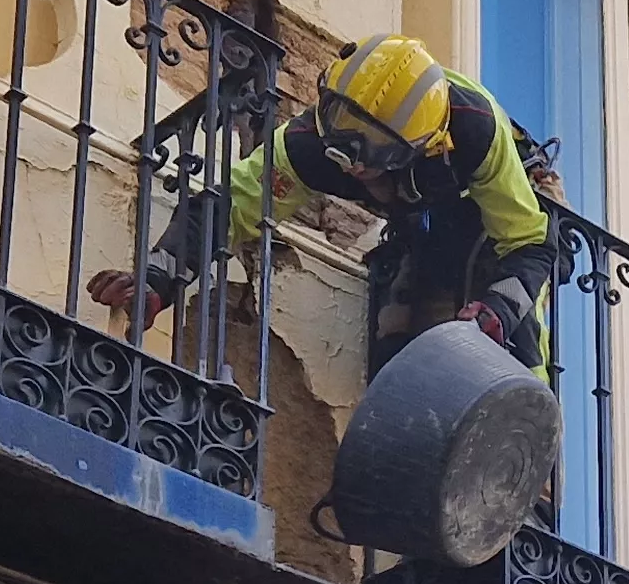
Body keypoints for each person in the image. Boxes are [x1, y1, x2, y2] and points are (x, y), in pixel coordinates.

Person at [90, 35, 553, 371]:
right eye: (340, 126)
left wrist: (497, 311)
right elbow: (226, 207)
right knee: (401, 343)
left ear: (422, 145)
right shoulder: (312, 141)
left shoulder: (473, 131)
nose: (349, 160)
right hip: (426, 219)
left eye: (372, 149)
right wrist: (157, 280)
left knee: (510, 335)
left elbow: (529, 242)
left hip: (504, 209)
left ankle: (532, 486)